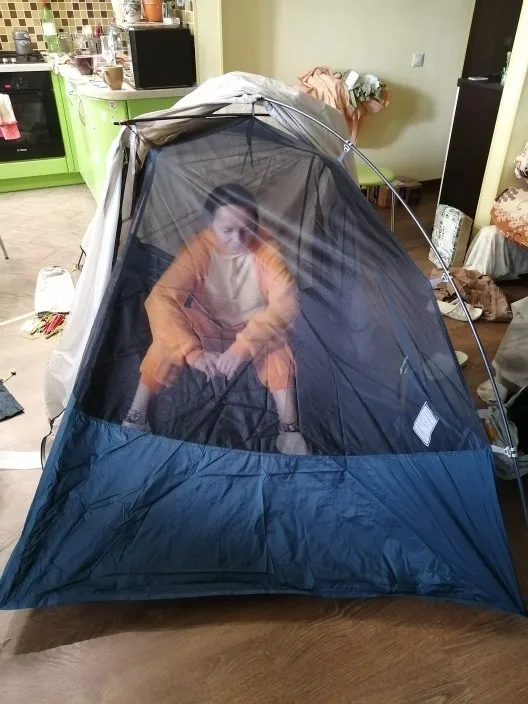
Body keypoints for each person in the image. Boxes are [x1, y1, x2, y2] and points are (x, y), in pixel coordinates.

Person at [124, 183, 309, 455]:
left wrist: (243, 346)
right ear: (211, 225)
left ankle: (289, 430)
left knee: (278, 345)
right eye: (227, 230)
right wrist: (192, 352)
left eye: (246, 229)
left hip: (250, 327)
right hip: (207, 325)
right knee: (168, 333)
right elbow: (161, 298)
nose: (238, 239)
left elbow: (285, 302)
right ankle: (136, 415)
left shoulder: (266, 247)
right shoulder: (200, 248)